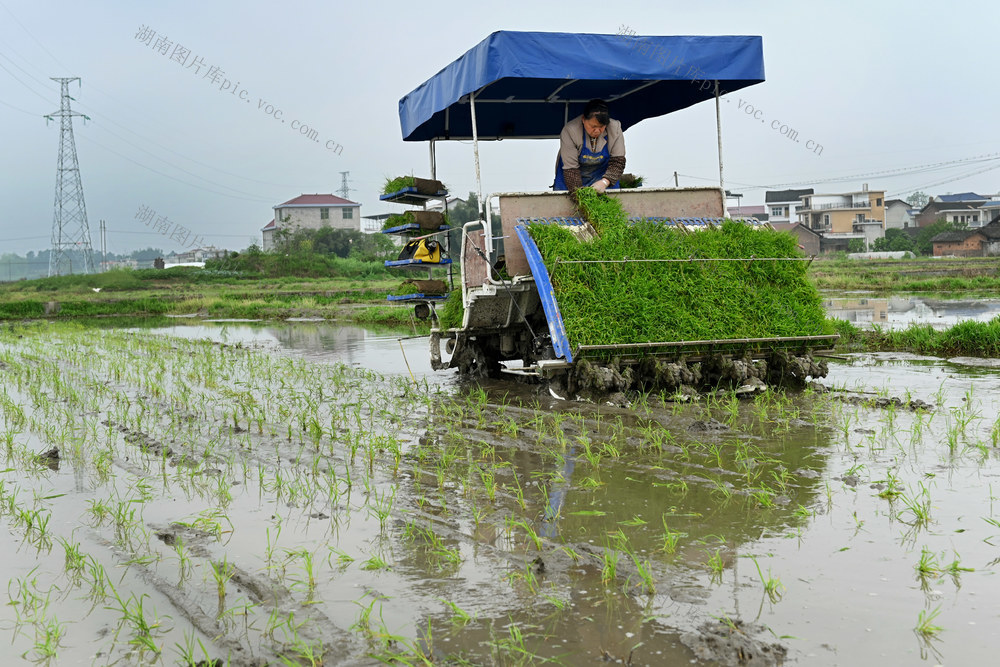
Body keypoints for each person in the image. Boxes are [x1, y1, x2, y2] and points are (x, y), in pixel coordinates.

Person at [553, 99, 626, 194]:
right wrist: (581, 197)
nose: (597, 131)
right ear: (583, 119)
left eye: (601, 127)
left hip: (602, 177)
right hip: (571, 176)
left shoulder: (615, 128)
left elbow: (618, 161)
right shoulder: (570, 131)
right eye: (593, 126)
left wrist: (604, 182)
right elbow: (571, 169)